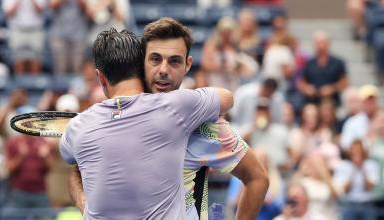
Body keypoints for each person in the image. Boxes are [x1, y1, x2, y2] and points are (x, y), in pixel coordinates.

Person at [68, 18, 269, 220]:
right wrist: (86, 205)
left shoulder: (203, 126)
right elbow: (76, 174)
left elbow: (257, 179)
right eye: (155, 59)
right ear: (141, 62)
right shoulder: (110, 116)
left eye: (174, 61)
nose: (163, 70)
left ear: (187, 65)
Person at [297, 31, 348, 106]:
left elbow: (345, 82)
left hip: (332, 102)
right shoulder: (308, 63)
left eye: (322, 42)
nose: (319, 46)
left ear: (328, 44)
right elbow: (300, 82)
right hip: (312, 101)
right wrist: (307, 89)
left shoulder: (338, 62)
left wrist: (332, 89)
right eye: (317, 43)